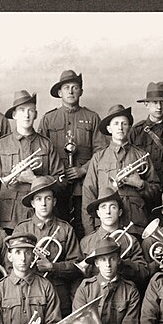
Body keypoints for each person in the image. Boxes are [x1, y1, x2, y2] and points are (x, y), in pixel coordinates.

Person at [38, 69, 107, 238]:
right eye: (66, 87)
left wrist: (83, 169)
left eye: (74, 87)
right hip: (56, 185)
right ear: (60, 92)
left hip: (84, 185)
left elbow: (101, 151)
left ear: (81, 91)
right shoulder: (49, 119)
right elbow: (41, 152)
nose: (70, 91)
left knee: (83, 224)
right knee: (57, 226)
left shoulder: (92, 117)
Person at [0, 90, 65, 231]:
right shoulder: (0, 146)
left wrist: (34, 179)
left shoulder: (46, 144)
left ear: (36, 114)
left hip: (39, 218)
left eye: (31, 110)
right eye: (22, 110)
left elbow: (61, 182)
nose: (26, 114)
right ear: (14, 115)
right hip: (7, 218)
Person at [81, 105, 161, 237]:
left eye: (124, 123)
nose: (120, 127)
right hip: (105, 227)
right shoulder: (98, 158)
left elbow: (157, 192)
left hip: (135, 225)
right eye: (116, 123)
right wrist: (91, 233)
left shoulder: (141, 156)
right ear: (109, 128)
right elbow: (88, 196)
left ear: (129, 128)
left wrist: (140, 184)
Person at [12, 175, 82, 316]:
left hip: (58, 293)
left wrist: (53, 267)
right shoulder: (22, 229)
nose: (43, 203)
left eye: (48, 199)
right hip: (28, 295)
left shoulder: (65, 229)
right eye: (39, 199)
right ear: (32, 203)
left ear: (54, 201)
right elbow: (10, 267)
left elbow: (78, 266)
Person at [79, 186, 151, 288]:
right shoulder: (86, 242)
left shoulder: (131, 240)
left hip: (125, 293)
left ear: (120, 212)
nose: (108, 212)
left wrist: (121, 264)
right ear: (98, 213)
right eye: (103, 207)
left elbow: (143, 272)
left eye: (113, 207)